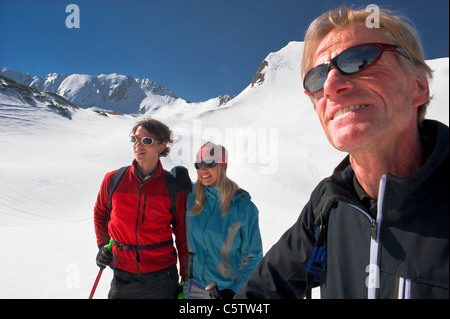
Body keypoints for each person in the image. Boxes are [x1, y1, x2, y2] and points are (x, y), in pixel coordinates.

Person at [235, 6, 448, 299]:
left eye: (359, 60)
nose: (332, 86)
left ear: (419, 87)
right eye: (317, 78)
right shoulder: (329, 203)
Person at [93, 118, 188, 299]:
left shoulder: (172, 186)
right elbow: (100, 213)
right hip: (122, 274)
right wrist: (102, 245)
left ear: (161, 146)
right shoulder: (113, 179)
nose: (138, 145)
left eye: (146, 140)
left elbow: (182, 233)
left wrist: (185, 276)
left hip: (161, 277)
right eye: (135, 139)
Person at [185, 142, 263, 299]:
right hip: (194, 289)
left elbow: (254, 256)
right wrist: (176, 175)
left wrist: (233, 290)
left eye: (209, 163)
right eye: (198, 164)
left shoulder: (243, 207)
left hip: (224, 291)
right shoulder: (191, 196)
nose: (203, 169)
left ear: (223, 165)